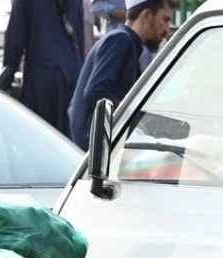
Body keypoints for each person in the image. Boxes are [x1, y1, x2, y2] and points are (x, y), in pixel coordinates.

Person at [68, 0, 173, 150]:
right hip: (95, 146)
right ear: (147, 15)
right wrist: (134, 119)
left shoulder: (129, 43)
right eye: (165, 19)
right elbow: (95, 92)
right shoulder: (121, 40)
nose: (167, 30)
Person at [0, 0, 86, 135]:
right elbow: (79, 34)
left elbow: (16, 36)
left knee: (42, 136)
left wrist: (7, 76)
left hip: (42, 72)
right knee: (68, 141)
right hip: (72, 71)